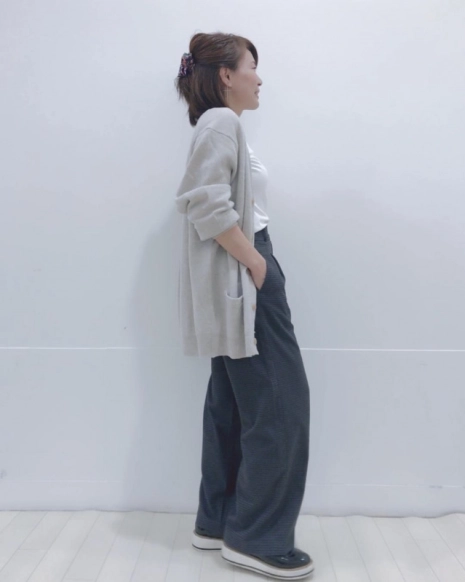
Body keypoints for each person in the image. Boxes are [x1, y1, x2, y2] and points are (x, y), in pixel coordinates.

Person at [174, 32, 314, 580]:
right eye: (251, 66)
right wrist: (257, 264)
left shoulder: (221, 126)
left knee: (232, 407)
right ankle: (256, 538)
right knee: (280, 406)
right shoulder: (221, 122)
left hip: (238, 276)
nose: (260, 78)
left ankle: (217, 523)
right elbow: (203, 203)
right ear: (226, 75)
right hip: (246, 271)